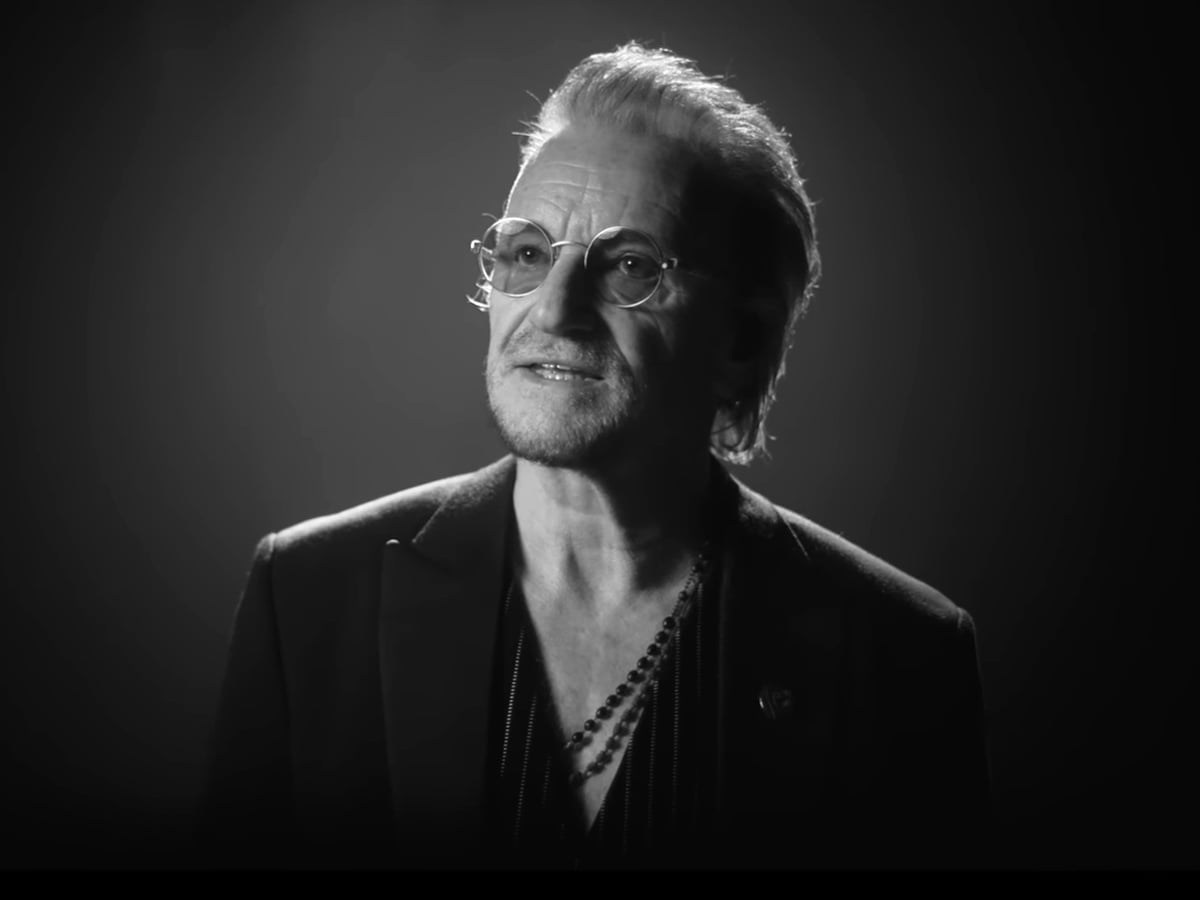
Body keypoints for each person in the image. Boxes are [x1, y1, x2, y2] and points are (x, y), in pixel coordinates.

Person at [198, 42, 990, 871]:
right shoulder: (310, 599)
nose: (554, 311)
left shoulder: (901, 657)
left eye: (630, 266)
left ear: (741, 343)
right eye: (527, 254)